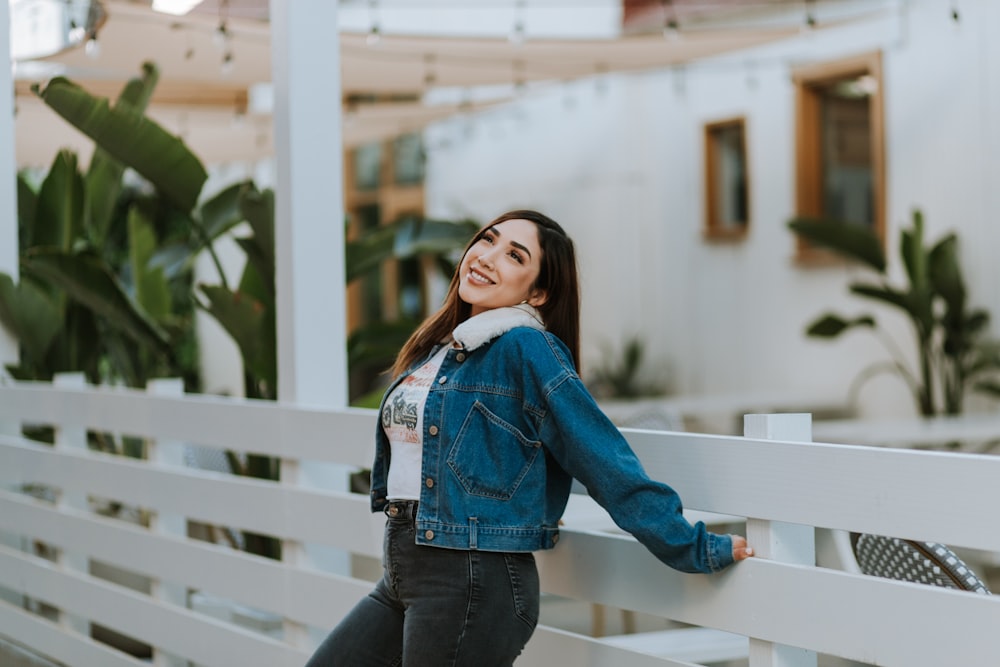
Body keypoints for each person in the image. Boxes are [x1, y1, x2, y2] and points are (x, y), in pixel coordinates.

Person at [304, 209, 753, 667]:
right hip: (403, 573)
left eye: (514, 256)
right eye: (488, 241)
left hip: (471, 581)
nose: (487, 257)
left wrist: (692, 544)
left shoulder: (527, 349)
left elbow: (603, 456)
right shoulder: (443, 348)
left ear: (537, 292)